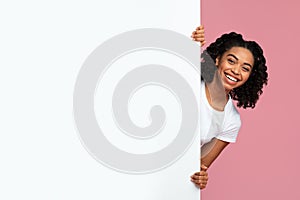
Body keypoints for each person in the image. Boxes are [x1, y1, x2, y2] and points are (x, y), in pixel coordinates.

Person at [189, 25, 268, 189]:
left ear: (249, 76)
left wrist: (200, 177)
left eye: (245, 68)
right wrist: (191, 41)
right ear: (217, 60)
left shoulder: (231, 120)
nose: (236, 71)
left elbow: (199, 165)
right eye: (231, 61)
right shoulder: (191, 79)